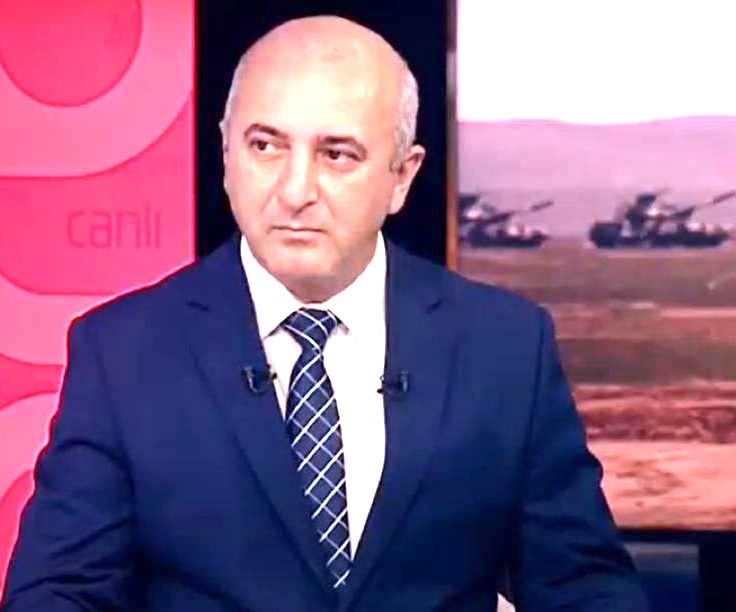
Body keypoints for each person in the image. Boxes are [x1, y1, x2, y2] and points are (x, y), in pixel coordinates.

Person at [1, 15, 648, 612]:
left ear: (402, 176)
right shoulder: (124, 352)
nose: (295, 191)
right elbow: (57, 594)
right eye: (265, 146)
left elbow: (585, 588)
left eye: (336, 154)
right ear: (225, 153)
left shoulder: (505, 348)